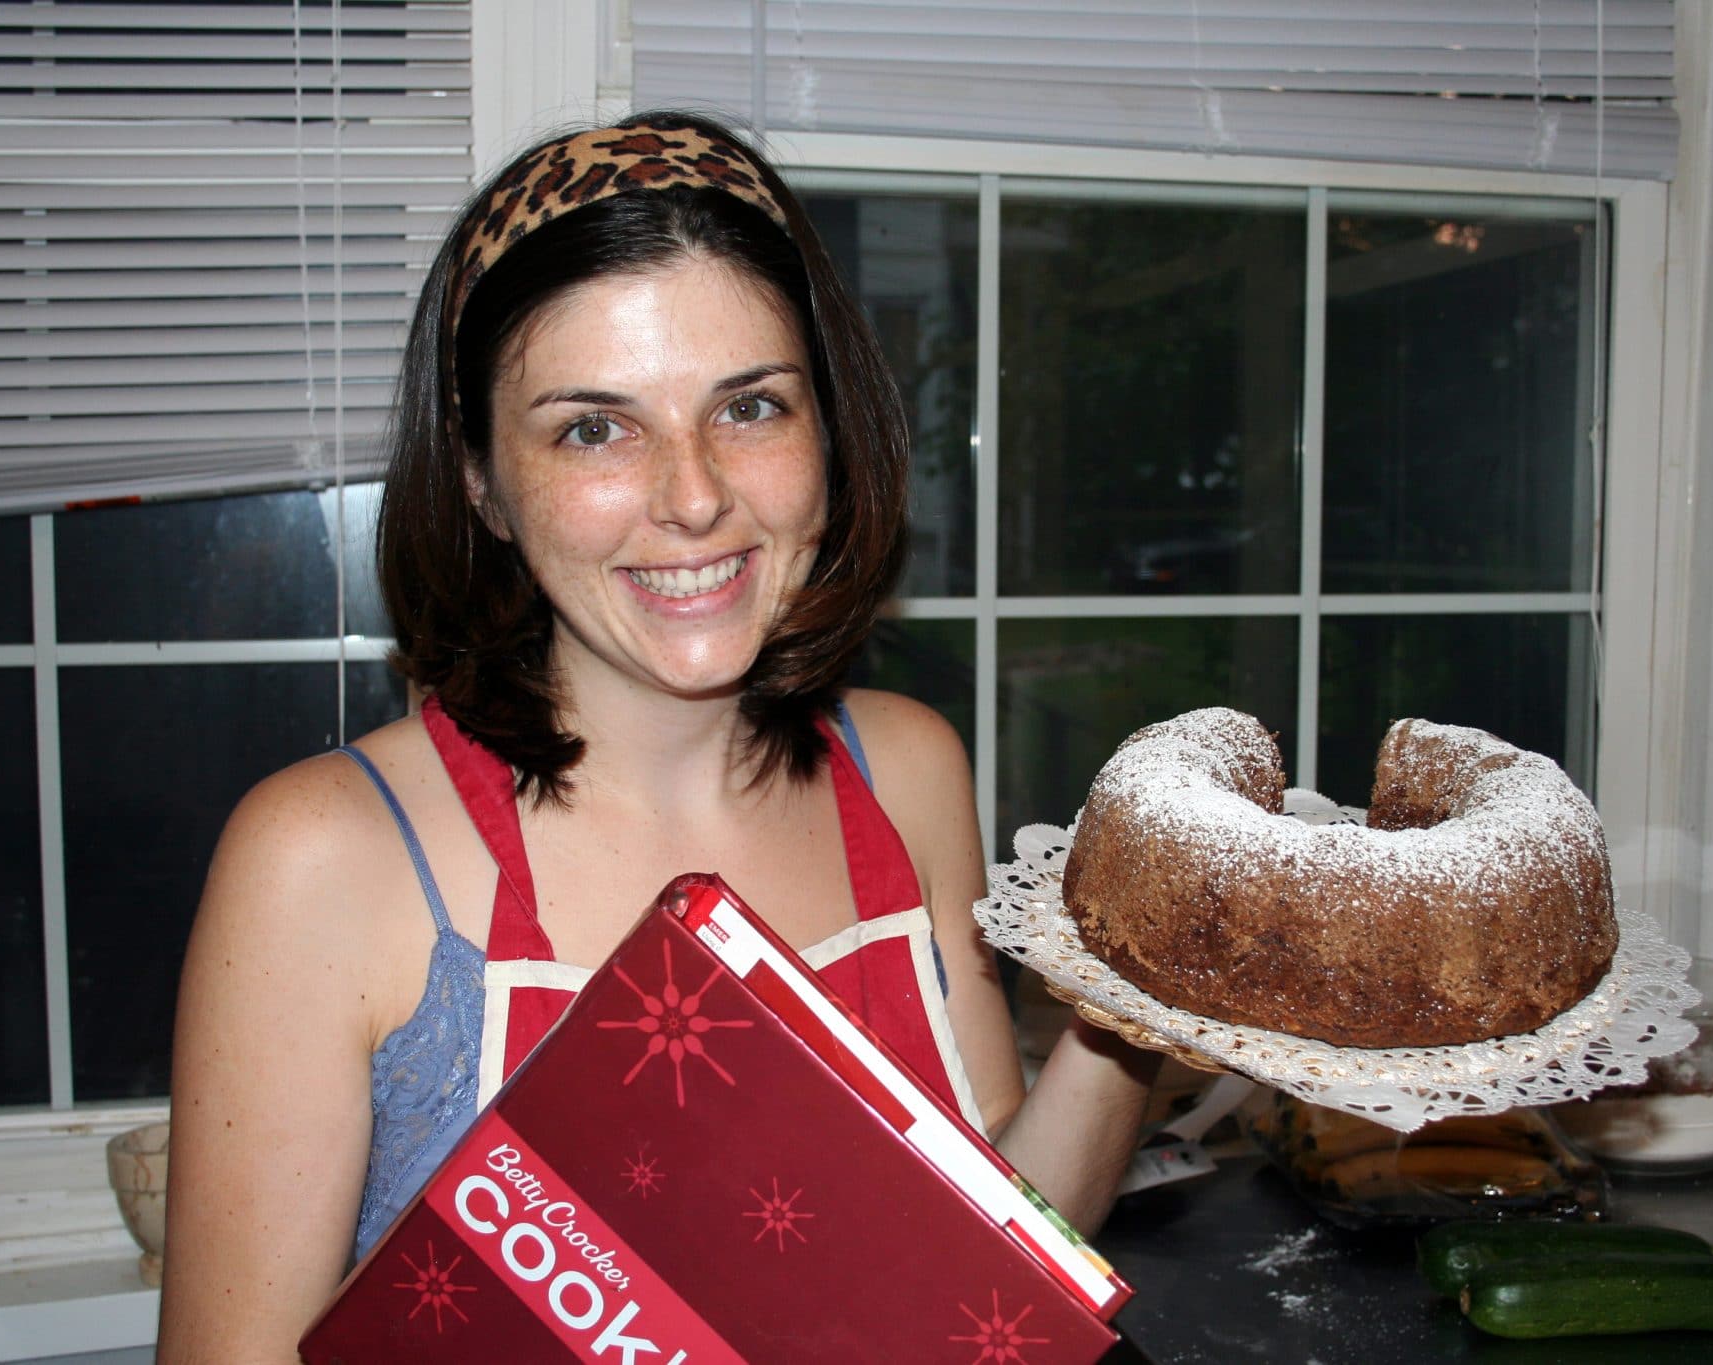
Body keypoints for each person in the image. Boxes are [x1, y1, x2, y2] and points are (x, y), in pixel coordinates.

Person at [157, 113, 1160, 1363]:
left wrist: (1148, 1009)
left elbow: (995, 1257)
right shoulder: (324, 858)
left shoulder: (903, 768)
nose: (693, 498)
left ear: (829, 429)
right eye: (593, 426)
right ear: (478, 479)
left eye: (749, 407)